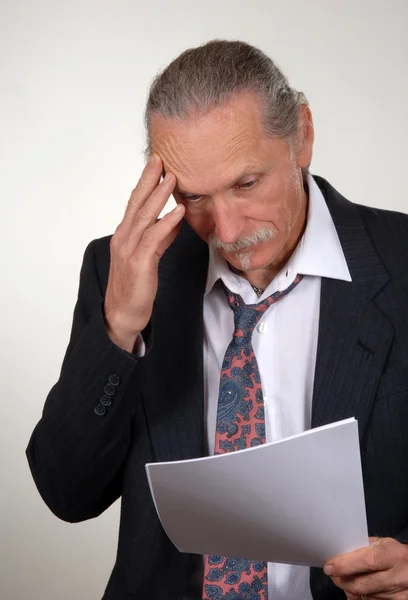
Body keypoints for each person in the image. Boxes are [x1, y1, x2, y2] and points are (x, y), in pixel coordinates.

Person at [26, 39, 408, 600]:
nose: (227, 232)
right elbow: (67, 493)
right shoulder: (119, 270)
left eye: (246, 184)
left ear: (302, 135)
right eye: (193, 196)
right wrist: (118, 329)